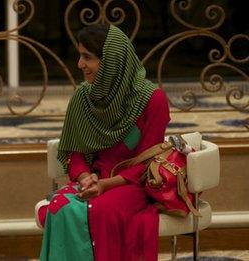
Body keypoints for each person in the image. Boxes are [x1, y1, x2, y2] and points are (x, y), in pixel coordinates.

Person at [38, 23, 170, 261]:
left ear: (112, 62)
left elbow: (149, 162)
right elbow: (74, 153)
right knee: (59, 206)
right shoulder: (83, 98)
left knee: (98, 211)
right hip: (95, 180)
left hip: (134, 184)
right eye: (80, 56)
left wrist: (106, 185)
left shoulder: (153, 99)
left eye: (87, 57)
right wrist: (84, 176)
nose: (80, 65)